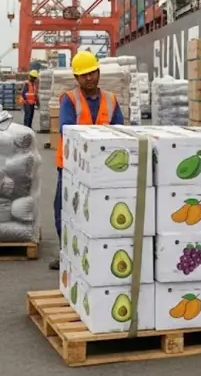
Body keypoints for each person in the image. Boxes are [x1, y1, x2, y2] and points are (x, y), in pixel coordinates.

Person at [50, 51, 124, 270]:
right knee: (64, 209)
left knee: (99, 209)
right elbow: (66, 128)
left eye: (92, 73)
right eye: (84, 75)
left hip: (102, 168)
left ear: (99, 72)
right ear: (77, 79)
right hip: (71, 166)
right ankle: (66, 251)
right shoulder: (69, 99)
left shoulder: (111, 100)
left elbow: (119, 130)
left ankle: (96, 252)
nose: (89, 78)